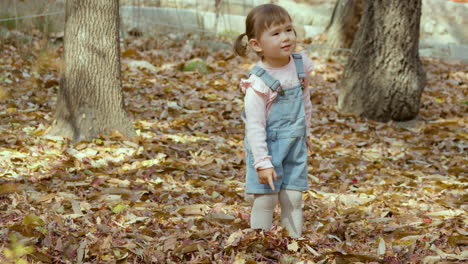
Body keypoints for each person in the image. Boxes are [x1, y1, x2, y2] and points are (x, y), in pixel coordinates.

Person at [233, 4, 314, 238]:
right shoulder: (258, 83)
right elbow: (255, 127)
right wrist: (262, 163)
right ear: (256, 44)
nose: (286, 37)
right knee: (266, 198)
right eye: (276, 33)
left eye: (288, 30)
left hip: (294, 144)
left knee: (293, 196)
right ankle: (259, 242)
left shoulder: (300, 66)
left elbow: (305, 101)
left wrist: (305, 132)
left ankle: (294, 241)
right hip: (266, 147)